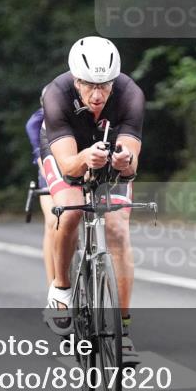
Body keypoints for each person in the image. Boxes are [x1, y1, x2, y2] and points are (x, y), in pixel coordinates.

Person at [39, 36, 143, 361]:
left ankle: (122, 329)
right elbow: (69, 166)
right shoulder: (56, 94)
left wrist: (124, 161)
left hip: (106, 149)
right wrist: (85, 156)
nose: (97, 95)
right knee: (69, 211)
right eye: (88, 86)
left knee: (118, 231)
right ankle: (61, 289)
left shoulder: (130, 95)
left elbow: (131, 165)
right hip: (67, 148)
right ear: (75, 79)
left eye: (105, 86)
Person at [25, 103, 57, 285]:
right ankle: (53, 284)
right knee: (53, 222)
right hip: (50, 169)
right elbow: (43, 162)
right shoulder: (37, 121)